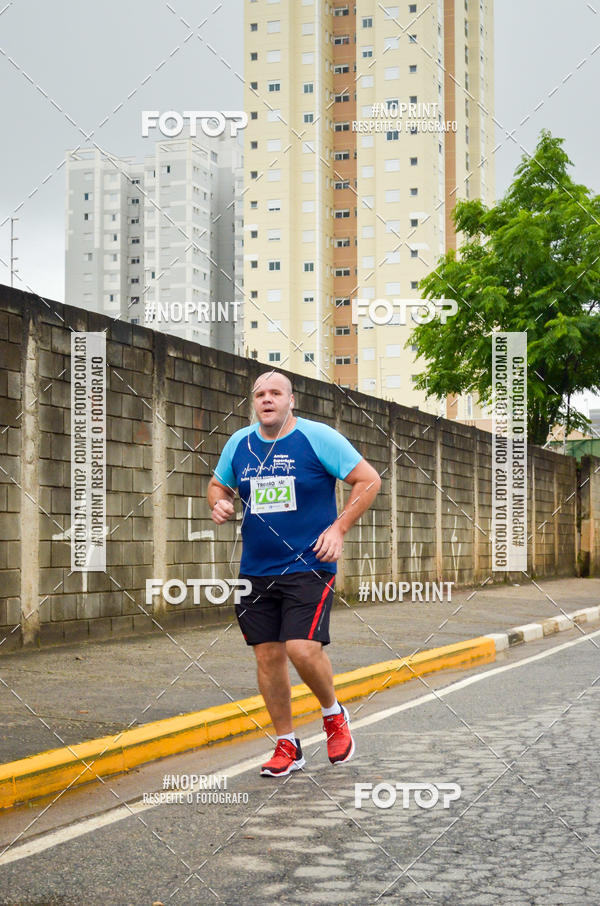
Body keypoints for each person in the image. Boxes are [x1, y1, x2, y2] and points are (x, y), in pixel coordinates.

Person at [207, 371, 381, 777]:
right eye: (260, 394)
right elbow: (217, 485)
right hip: (255, 570)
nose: (267, 399)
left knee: (301, 648)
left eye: (275, 393)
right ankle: (287, 744)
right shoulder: (240, 443)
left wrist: (338, 529)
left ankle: (333, 714)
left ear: (291, 400)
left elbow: (369, 480)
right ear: (254, 402)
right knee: (268, 656)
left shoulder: (317, 438)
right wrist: (219, 503)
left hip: (309, 564)